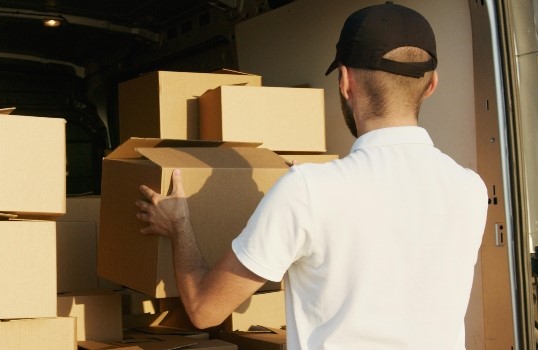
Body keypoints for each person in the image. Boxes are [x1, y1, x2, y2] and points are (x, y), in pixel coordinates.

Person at [134, 2, 488, 349]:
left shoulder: (308, 191)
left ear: (345, 81)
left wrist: (179, 223)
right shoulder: (470, 189)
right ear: (431, 84)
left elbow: (204, 310)